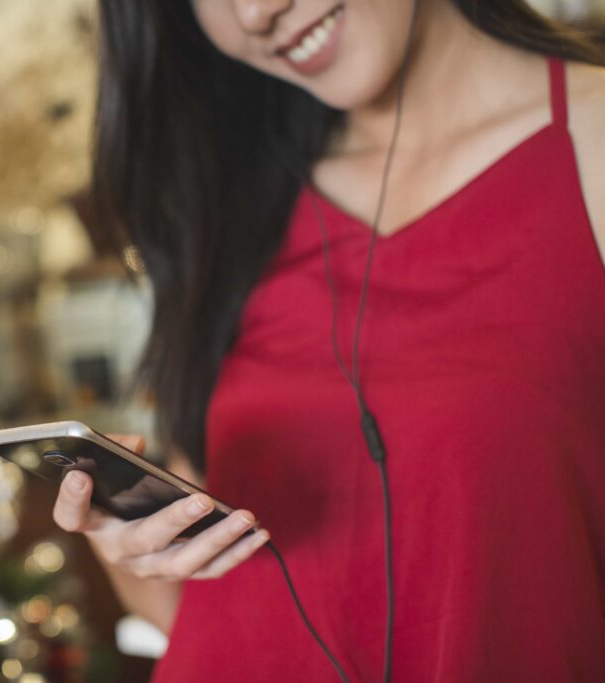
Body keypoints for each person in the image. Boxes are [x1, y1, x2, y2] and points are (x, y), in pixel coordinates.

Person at [51, 0, 605, 681]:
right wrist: (128, 546)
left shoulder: (589, 141)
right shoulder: (233, 202)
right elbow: (212, 617)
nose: (255, 13)